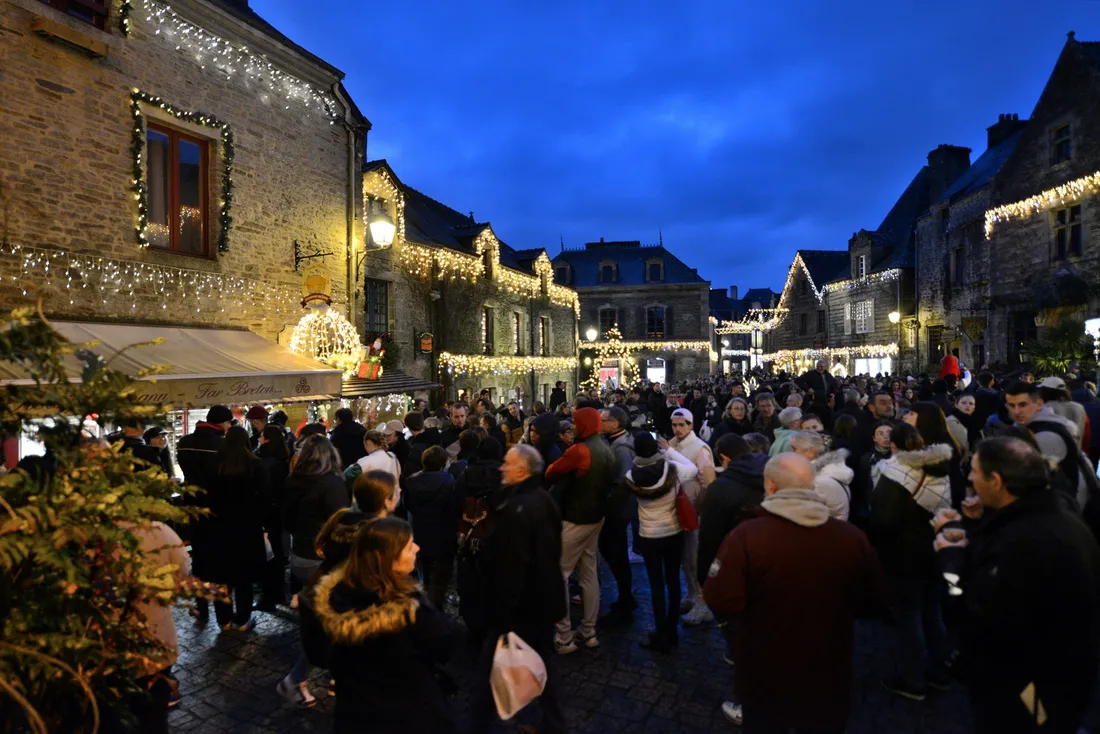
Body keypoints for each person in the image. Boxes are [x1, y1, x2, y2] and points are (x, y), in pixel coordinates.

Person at [704, 453, 884, 734]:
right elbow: (872, 600)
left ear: (771, 486)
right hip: (829, 662)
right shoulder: (851, 537)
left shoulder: (747, 535)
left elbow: (721, 597)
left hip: (765, 662)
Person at [934, 438, 1100, 734]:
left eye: (973, 471)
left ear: (996, 480)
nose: (969, 478)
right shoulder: (1054, 511)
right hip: (1060, 676)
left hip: (1028, 688)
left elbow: (975, 617)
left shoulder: (1026, 540)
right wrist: (975, 526)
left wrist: (949, 561)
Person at [313, 517, 461, 734]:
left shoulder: (337, 597)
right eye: (409, 546)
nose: (417, 548)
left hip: (355, 713)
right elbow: (446, 643)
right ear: (389, 559)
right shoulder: (409, 614)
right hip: (405, 715)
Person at [472, 445, 567, 734]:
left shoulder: (518, 509)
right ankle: (552, 724)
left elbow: (512, 567)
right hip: (542, 601)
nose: (501, 468)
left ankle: (477, 724)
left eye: (507, 464)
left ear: (522, 470)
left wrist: (502, 611)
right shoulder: (542, 499)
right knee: (543, 663)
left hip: (521, 609)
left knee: (489, 671)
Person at [868, 422, 953, 701]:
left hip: (904, 552)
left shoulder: (893, 472)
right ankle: (940, 671)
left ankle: (913, 678)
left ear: (893, 444)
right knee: (933, 610)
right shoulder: (940, 467)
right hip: (934, 546)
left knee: (909, 616)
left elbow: (884, 520)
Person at [278, 434, 348, 706]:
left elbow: (287, 521)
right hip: (324, 560)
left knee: (330, 619)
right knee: (329, 624)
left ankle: (336, 676)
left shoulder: (293, 481)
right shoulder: (333, 484)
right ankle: (295, 679)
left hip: (300, 557)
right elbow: (340, 526)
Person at [544, 407, 615, 653]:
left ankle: (564, 636)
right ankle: (589, 630)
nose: (573, 427)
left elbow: (552, 471)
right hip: (597, 517)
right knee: (588, 572)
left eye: (575, 423)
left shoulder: (580, 449)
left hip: (576, 518)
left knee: (559, 574)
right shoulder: (606, 447)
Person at [624, 432, 698, 652]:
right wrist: (669, 450)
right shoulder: (671, 469)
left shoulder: (630, 476)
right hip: (673, 532)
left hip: (648, 535)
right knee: (673, 581)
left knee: (656, 584)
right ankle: (672, 630)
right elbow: (693, 469)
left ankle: (660, 630)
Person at [203, 426, 269, 631]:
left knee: (221, 575)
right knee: (244, 576)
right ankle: (242, 618)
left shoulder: (214, 464)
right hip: (248, 527)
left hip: (218, 527)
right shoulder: (256, 465)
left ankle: (223, 620)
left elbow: (206, 496)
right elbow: (265, 498)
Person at [696, 434, 766, 593]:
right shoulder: (771, 470)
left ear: (724, 458)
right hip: (769, 559)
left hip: (736, 561)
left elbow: (710, 536)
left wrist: (704, 576)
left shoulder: (720, 488)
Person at [666, 407, 716, 625]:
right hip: (678, 508)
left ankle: (704, 603)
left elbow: (708, 482)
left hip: (695, 509)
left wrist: (700, 508)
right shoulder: (671, 444)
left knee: (696, 558)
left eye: (681, 425)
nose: (677, 429)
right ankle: (692, 594)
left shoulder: (700, 449)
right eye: (674, 425)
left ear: (690, 425)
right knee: (684, 558)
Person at [1005, 381, 1088, 508]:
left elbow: (1029, 481)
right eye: (1012, 405)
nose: (1016, 411)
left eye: (1022, 405)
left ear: (1039, 404)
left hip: (1057, 507)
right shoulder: (1029, 426)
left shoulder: (1046, 434)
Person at [403, 445, 461, 608]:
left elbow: (407, 505)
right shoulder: (449, 481)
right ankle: (434, 609)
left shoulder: (411, 481)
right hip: (444, 534)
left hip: (421, 531)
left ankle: (428, 603)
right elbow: (454, 507)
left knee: (426, 574)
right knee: (441, 576)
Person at [598, 406, 638, 625]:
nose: (601, 423)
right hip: (620, 508)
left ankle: (625, 598)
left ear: (616, 423)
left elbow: (623, 481)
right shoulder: (616, 441)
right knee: (616, 553)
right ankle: (625, 597)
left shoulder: (621, 448)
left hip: (619, 510)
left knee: (616, 553)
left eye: (604, 420)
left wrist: (609, 505)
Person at [256, 424, 292, 609]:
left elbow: (263, 490)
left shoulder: (264, 460)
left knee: (269, 554)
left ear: (267, 439)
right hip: (279, 512)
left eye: (262, 435)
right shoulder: (283, 457)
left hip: (267, 513)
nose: (259, 438)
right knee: (277, 551)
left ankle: (269, 595)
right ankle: (278, 593)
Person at [789, 430, 852, 521]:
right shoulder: (828, 472)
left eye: (794, 449)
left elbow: (804, 517)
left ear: (811, 451)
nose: (791, 453)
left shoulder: (819, 481)